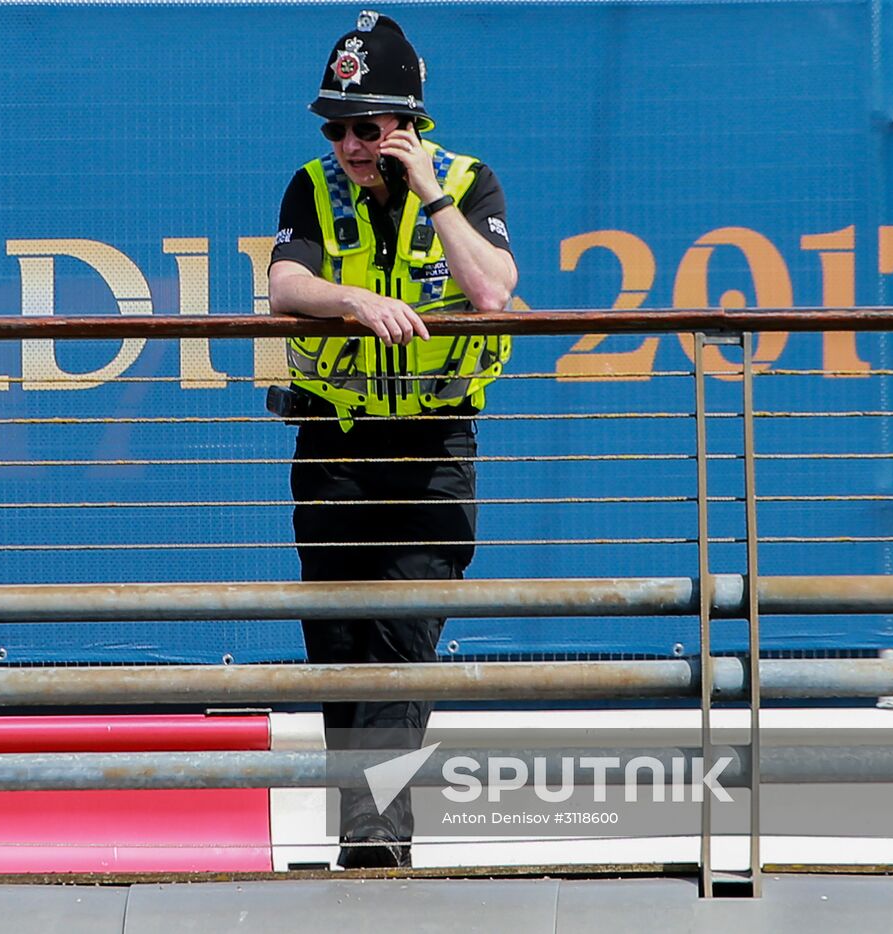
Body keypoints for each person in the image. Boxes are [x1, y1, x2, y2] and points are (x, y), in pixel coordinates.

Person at [267, 10, 519, 870]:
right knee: (338, 649)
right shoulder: (311, 183)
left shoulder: (469, 183)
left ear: (410, 126)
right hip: (334, 453)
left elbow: (492, 294)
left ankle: (378, 841)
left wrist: (431, 195)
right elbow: (285, 285)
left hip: (432, 450)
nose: (349, 143)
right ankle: (366, 839)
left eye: (367, 126)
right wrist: (352, 302)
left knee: (401, 641)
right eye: (337, 126)